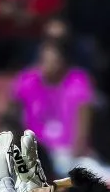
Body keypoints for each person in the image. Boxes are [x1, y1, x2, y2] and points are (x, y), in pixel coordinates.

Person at [13, 40, 94, 170]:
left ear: (63, 62)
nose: (48, 66)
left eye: (53, 61)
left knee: (90, 170)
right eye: (44, 61)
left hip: (67, 153)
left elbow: (82, 123)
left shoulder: (77, 81)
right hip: (36, 153)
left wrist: (76, 152)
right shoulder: (28, 81)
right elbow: (15, 116)